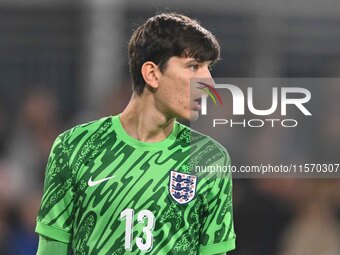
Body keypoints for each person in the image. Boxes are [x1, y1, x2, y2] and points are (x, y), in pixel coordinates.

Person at [35, 12, 236, 255]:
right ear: (152, 74)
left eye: (208, 68)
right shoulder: (74, 147)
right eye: (193, 66)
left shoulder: (208, 158)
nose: (209, 83)